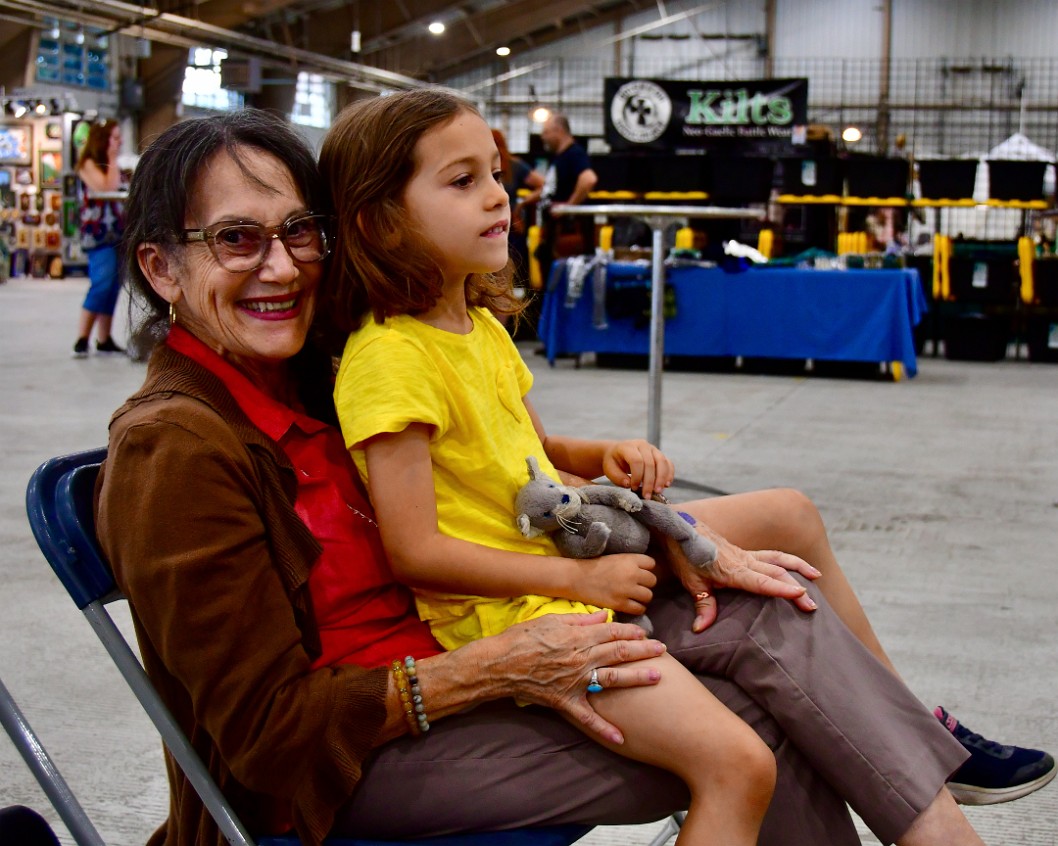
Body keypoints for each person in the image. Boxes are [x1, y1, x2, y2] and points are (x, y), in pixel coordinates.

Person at [96, 106, 1021, 846]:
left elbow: (496, 459)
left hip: (458, 663)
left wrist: (654, 531)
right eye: (234, 240)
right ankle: (936, 809)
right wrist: (492, 665)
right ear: (160, 268)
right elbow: (262, 736)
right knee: (778, 715)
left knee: (779, 629)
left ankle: (933, 811)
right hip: (335, 776)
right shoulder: (177, 450)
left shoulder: (310, 368)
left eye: (299, 231)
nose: (282, 265)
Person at [326, 87, 815, 846]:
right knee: (738, 766)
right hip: (512, 612)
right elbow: (413, 551)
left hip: (555, 563)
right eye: (462, 182)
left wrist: (601, 456)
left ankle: (922, 736)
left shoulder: (478, 324)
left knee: (789, 537)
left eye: (495, 173)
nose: (498, 197)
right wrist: (579, 582)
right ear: (378, 221)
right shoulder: (388, 359)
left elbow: (534, 451)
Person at [73, 119, 126, 358]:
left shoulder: (110, 164)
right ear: (103, 139)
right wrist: (113, 158)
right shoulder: (87, 164)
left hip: (118, 231)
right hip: (98, 234)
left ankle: (104, 338)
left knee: (114, 285)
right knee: (102, 282)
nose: (119, 142)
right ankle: (82, 337)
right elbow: (106, 188)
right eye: (115, 137)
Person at [525, 113, 599, 272]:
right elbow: (550, 189)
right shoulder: (560, 157)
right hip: (554, 237)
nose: (543, 137)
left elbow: (589, 179)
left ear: (558, 131)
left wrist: (568, 207)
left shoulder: (574, 154)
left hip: (567, 237)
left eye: (546, 132)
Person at [491, 128, 543, 286]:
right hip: (505, 222)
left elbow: (543, 185)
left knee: (505, 266)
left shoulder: (513, 165)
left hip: (508, 224)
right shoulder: (512, 164)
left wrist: (523, 203)